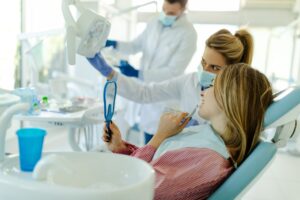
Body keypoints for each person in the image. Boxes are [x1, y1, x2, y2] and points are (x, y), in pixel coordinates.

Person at [102, 63, 273, 200]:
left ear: (229, 99)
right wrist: (122, 148)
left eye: (213, 85)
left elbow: (136, 187)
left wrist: (160, 136)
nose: (203, 91)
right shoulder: (208, 134)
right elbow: (156, 166)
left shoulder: (209, 162)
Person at [87, 28, 253, 143]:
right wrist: (108, 72)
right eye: (203, 62)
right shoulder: (189, 81)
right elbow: (145, 92)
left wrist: (203, 131)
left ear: (232, 71)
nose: (205, 70)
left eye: (215, 68)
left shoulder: (238, 97)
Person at [103, 0, 197, 143]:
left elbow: (174, 72)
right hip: (145, 96)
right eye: (164, 9)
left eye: (171, 13)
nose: (165, 14)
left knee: (157, 146)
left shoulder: (188, 34)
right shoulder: (154, 22)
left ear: (183, 9)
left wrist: (137, 73)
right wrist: (114, 44)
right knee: (146, 142)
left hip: (163, 99)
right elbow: (136, 46)